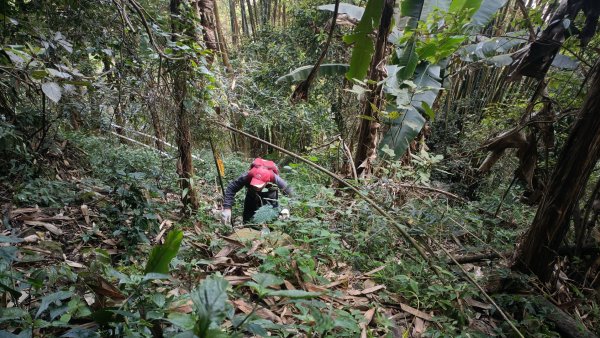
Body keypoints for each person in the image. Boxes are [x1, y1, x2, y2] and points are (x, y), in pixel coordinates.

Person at [221, 158, 293, 224]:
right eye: (255, 184)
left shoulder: (275, 179)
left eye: (259, 185)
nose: (256, 187)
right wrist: (227, 208)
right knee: (248, 220)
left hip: (270, 197)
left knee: (270, 221)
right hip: (252, 196)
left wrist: (286, 209)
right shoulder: (247, 176)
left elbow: (290, 194)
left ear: (266, 182)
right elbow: (231, 188)